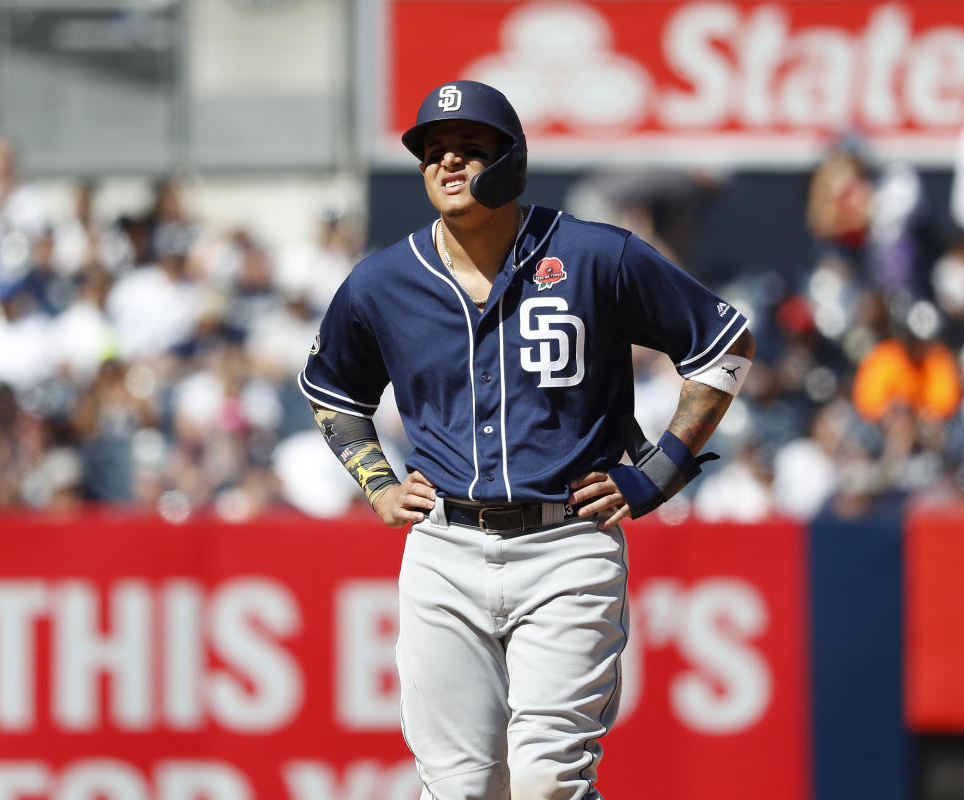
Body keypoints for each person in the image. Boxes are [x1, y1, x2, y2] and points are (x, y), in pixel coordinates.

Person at [299, 80, 755, 799]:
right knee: (461, 788)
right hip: (445, 545)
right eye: (433, 151)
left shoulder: (596, 255)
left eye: (469, 149)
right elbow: (333, 390)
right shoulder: (383, 282)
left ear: (512, 161)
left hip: (567, 542)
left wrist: (662, 471)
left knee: (547, 781)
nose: (447, 163)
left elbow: (724, 344)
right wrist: (377, 482)